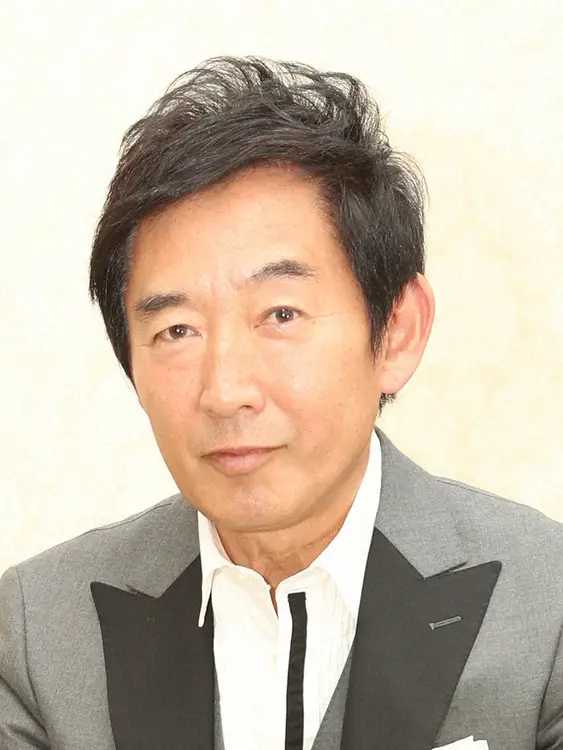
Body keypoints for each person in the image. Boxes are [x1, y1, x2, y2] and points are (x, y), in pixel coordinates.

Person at [0, 56, 561, 750]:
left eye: (281, 315)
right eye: (176, 330)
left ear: (396, 330)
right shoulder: (40, 629)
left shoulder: (547, 607)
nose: (225, 391)